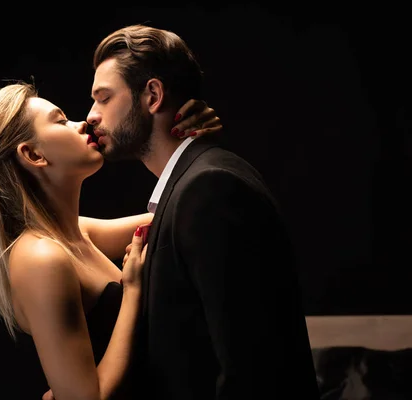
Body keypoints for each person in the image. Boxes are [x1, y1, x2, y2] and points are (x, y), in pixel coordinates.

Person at [86, 24, 320, 399]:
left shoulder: (208, 189)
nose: (91, 116)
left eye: (103, 98)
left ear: (153, 95)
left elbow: (253, 371)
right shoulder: (194, 185)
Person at [0, 81, 222, 399]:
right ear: (34, 154)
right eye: (60, 120)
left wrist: (193, 143)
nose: (82, 122)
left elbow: (186, 208)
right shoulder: (41, 256)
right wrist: (133, 289)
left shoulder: (78, 232)